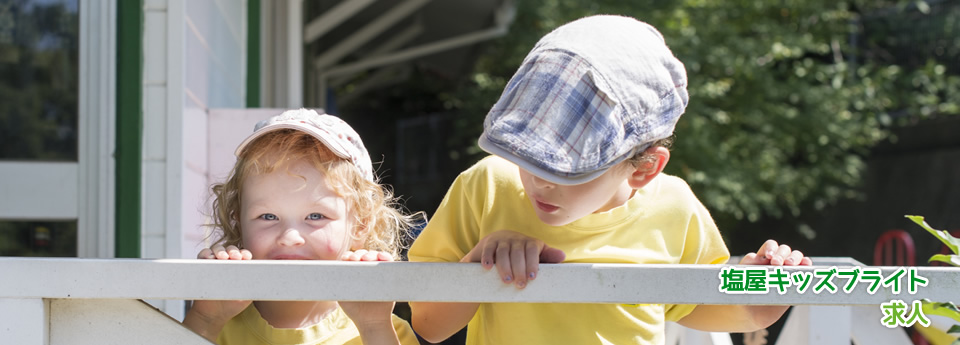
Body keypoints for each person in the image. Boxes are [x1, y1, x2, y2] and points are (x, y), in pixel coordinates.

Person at [406, 14, 814, 345]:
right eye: (526, 156)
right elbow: (428, 324)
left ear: (644, 169)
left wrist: (763, 297)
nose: (538, 181)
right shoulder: (488, 184)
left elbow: (695, 306)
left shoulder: (674, 205)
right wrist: (479, 262)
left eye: (567, 168)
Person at [181, 109, 420, 345]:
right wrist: (205, 318)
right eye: (268, 216)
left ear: (360, 225)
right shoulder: (214, 324)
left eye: (315, 215)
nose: (290, 237)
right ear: (238, 221)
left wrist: (373, 327)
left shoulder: (385, 332)